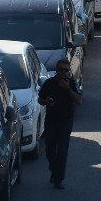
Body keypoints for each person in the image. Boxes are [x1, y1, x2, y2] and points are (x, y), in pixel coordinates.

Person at [38, 58, 82, 189]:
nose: (64, 72)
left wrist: (68, 89)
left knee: (62, 151)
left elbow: (79, 100)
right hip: (51, 121)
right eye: (61, 70)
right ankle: (54, 170)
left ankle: (59, 179)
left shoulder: (71, 83)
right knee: (50, 150)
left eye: (66, 70)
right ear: (57, 70)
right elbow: (40, 99)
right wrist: (47, 101)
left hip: (65, 121)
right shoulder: (49, 83)